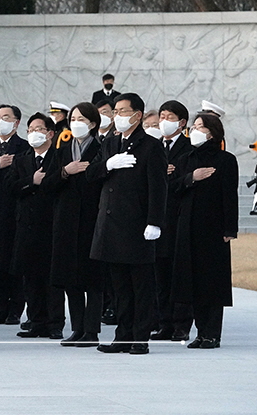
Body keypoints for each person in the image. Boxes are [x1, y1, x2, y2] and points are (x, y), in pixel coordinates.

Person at [87, 92, 167, 354]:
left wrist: (154, 221)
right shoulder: (110, 143)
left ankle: (139, 337)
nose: (117, 116)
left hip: (137, 225)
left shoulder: (151, 145)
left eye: (122, 111)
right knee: (120, 287)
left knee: (140, 286)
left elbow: (158, 188)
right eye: (115, 111)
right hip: (111, 224)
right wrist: (108, 165)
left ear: (137, 115)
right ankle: (122, 335)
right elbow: (91, 174)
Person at [171, 112, 237, 348]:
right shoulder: (186, 159)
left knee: (211, 281)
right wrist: (191, 177)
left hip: (213, 228)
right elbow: (172, 188)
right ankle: (199, 332)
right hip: (187, 225)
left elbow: (230, 196)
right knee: (192, 280)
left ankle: (212, 333)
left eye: (200, 126)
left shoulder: (225, 160)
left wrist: (230, 228)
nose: (194, 130)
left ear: (212, 132)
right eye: (194, 125)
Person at [42, 102, 104, 347]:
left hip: (92, 220)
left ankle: (92, 330)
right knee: (71, 278)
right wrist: (66, 172)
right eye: (73, 118)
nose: (76, 122)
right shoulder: (62, 150)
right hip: (66, 221)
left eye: (81, 119)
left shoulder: (101, 148)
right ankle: (77, 327)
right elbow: (47, 184)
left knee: (94, 279)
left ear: (92, 123)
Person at [11, 113, 65, 340]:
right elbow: (11, 187)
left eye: (38, 129)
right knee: (30, 277)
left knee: (51, 278)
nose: (34, 134)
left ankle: (55, 323)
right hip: (27, 226)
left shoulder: (60, 158)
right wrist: (30, 182)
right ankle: (36, 320)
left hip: (52, 224)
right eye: (30, 130)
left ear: (50, 133)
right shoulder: (22, 159)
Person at [153, 100, 193, 342]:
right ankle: (163, 322)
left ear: (182, 122)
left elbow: (187, 178)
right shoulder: (154, 146)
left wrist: (173, 174)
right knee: (160, 274)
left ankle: (181, 324)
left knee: (179, 274)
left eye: (169, 117)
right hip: (158, 219)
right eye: (162, 116)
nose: (163, 121)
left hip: (179, 217)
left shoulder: (189, 148)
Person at [0, 104, 28, 326]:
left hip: (16, 211)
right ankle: (1, 308)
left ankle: (16, 309)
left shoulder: (23, 147)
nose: (0, 121)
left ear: (16, 123)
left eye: (6, 117)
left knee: (14, 265)